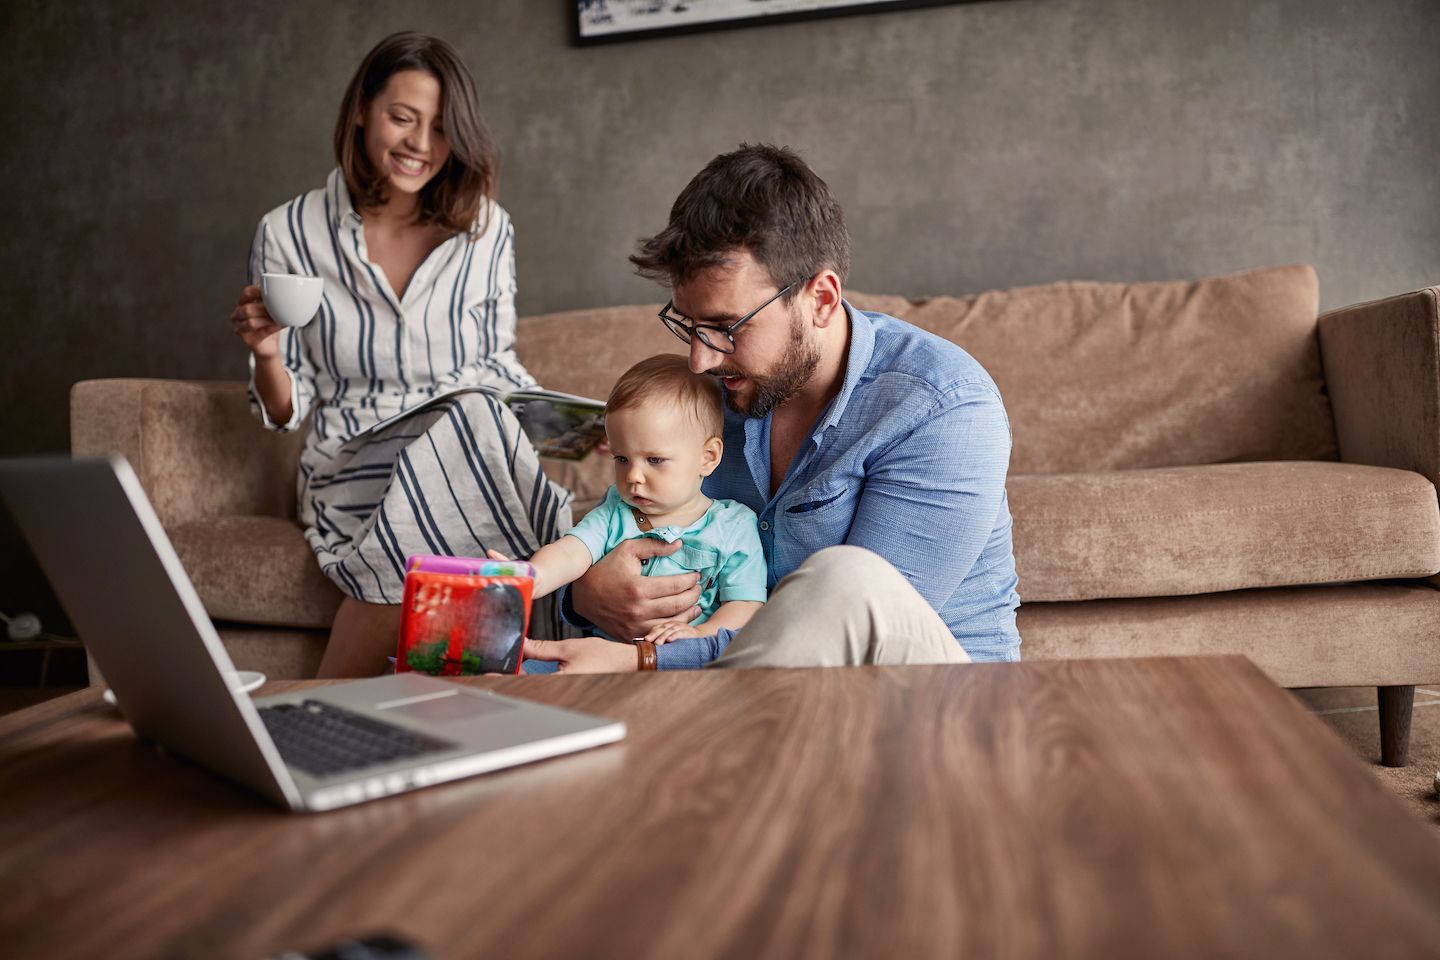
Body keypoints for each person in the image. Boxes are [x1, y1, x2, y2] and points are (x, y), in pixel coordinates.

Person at [522, 143, 1021, 675]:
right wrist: (587, 597)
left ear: (821, 300)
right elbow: (619, 527)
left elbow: (846, 628)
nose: (699, 358)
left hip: (920, 702)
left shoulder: (942, 407)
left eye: (727, 327)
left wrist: (642, 660)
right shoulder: (717, 389)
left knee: (847, 578)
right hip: (735, 694)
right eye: (689, 325)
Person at [229, 32, 573, 677]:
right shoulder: (288, 232)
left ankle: (336, 700)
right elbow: (284, 409)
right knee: (479, 432)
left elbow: (498, 364)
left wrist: (568, 425)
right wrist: (269, 353)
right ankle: (508, 698)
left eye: (441, 129)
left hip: (468, 437)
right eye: (402, 118)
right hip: (352, 456)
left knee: (473, 416)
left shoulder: (486, 227)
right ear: (362, 109)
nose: (420, 145)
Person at [488, 354, 767, 664]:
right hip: (599, 659)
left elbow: (746, 604)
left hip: (687, 666)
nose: (633, 476)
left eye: (654, 460)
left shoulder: (734, 524)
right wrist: (533, 576)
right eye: (622, 459)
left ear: (708, 457)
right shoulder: (616, 511)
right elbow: (571, 552)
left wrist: (703, 633)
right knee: (526, 676)